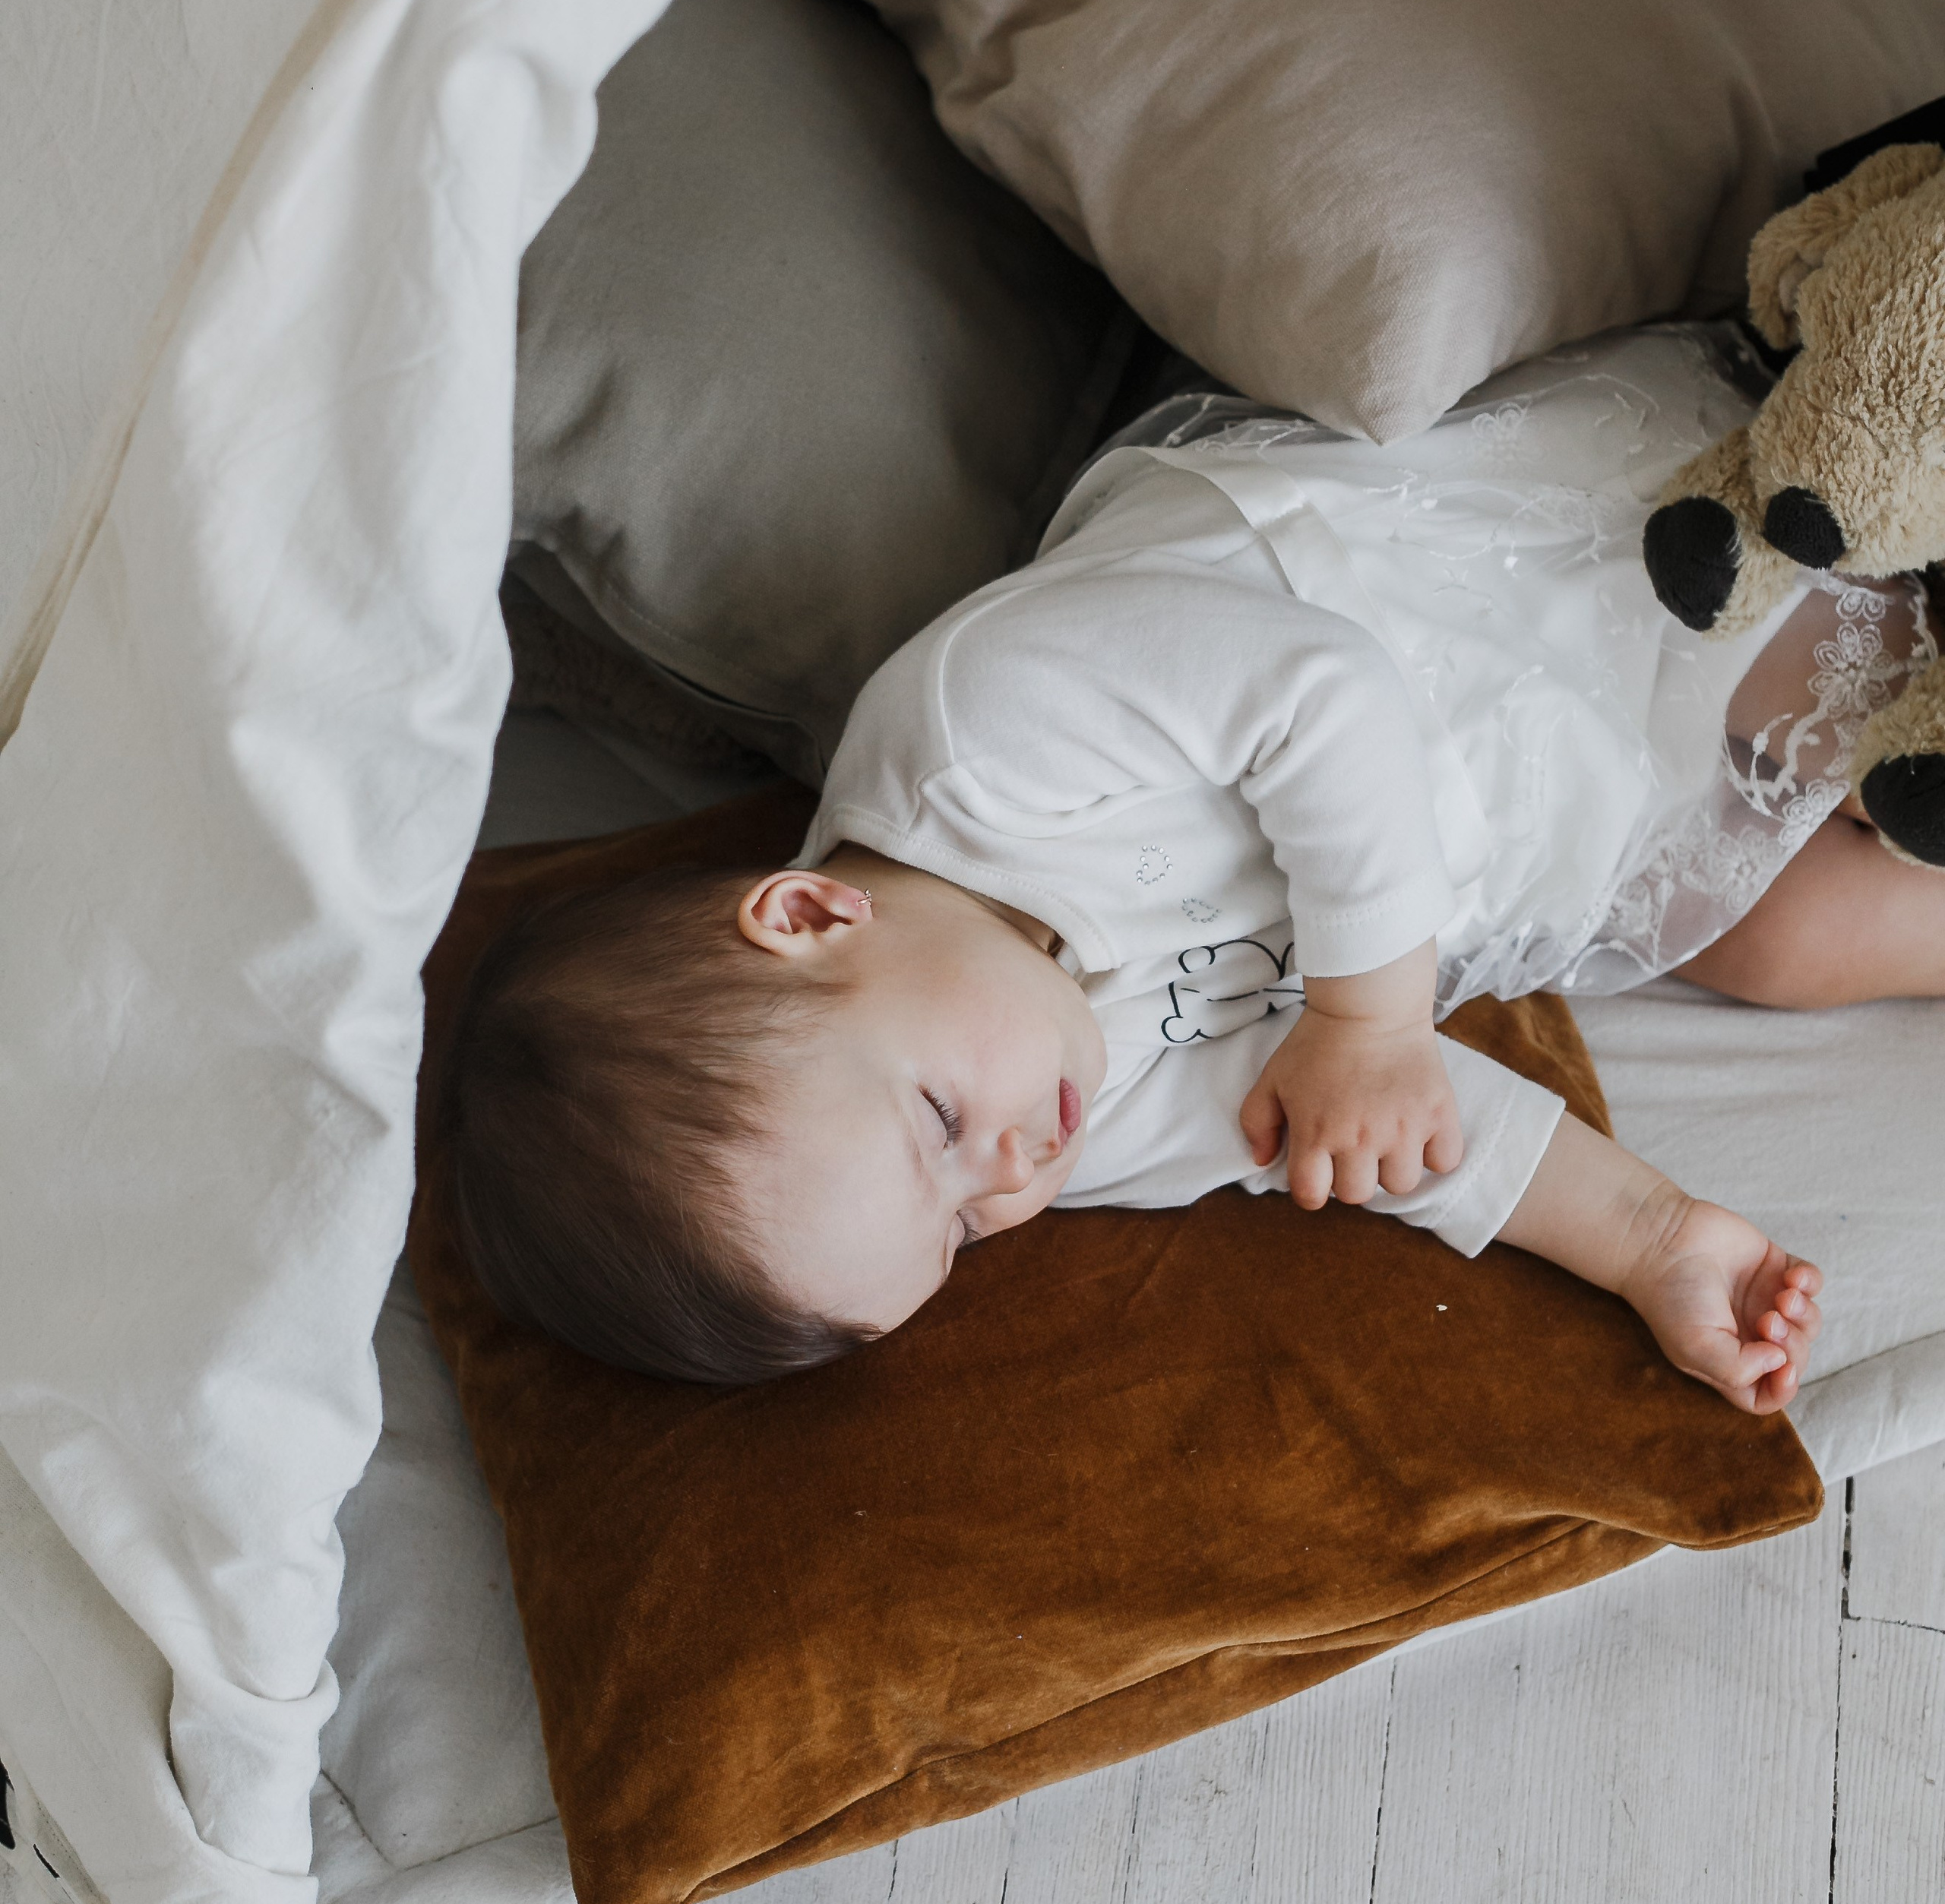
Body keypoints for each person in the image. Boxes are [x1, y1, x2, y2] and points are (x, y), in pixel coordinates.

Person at [449, 327, 1942, 1401]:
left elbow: (1325, 702)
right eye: (964, 1232)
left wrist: (1364, 1024)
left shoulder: (984, 730)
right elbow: (1358, 1136)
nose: (1015, 1172)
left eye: (934, 1126)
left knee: (1849, 696)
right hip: (1534, 830)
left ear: (810, 913)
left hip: (1520, 593)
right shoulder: (1066, 1125)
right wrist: (1650, 1243)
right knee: (1773, 945)